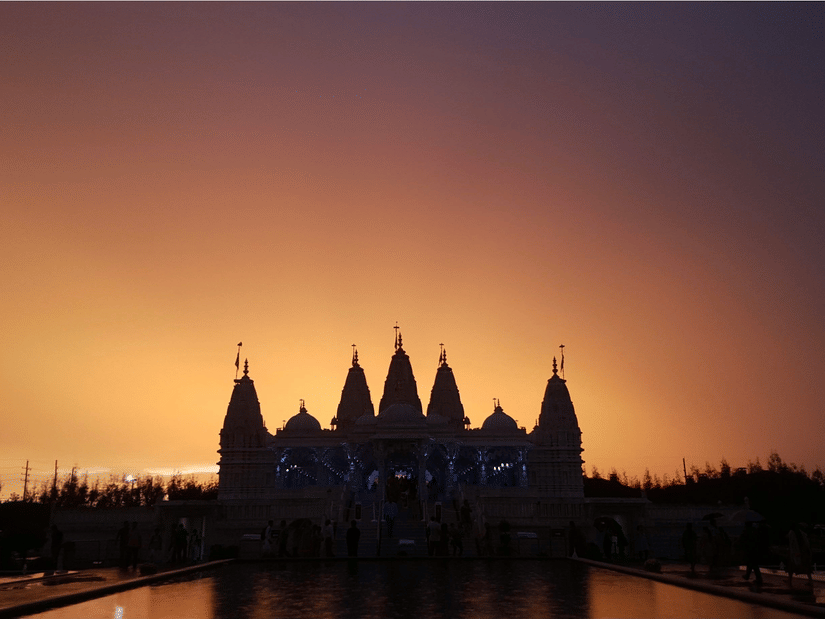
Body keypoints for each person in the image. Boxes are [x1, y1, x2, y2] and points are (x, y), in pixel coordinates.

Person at [787, 523, 813, 587]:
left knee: (791, 568)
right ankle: (810, 581)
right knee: (806, 568)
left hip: (797, 552)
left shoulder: (792, 533)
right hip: (802, 552)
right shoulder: (801, 533)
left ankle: (789, 581)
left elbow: (792, 544)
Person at [740, 522, 762, 591]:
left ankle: (753, 577)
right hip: (755, 549)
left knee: (751, 563)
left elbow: (742, 539)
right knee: (752, 563)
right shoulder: (754, 531)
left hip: (749, 549)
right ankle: (750, 576)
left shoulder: (746, 531)